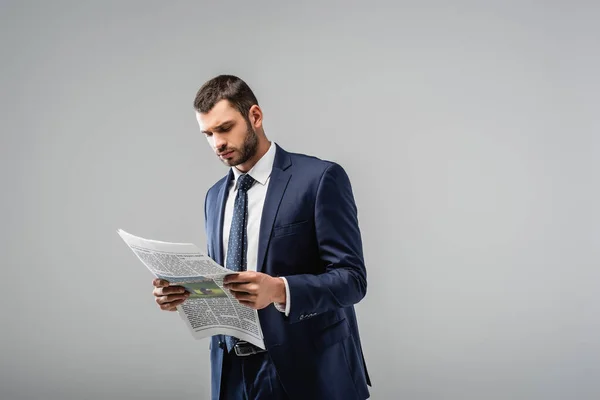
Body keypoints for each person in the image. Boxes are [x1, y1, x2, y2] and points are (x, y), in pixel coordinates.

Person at [152, 75, 371, 400]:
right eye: (208, 134)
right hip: (231, 373)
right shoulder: (214, 197)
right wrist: (185, 294)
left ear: (255, 116)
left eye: (225, 128)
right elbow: (228, 281)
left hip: (310, 371)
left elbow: (352, 280)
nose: (217, 144)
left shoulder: (320, 179)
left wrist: (281, 290)